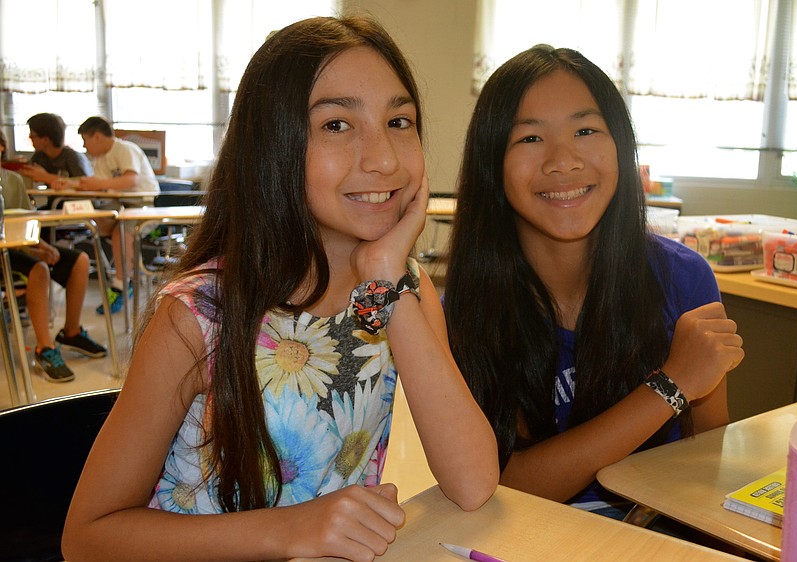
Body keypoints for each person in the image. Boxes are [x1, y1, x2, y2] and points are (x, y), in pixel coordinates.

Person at [62, 16, 499, 562]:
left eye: (400, 120)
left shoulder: (390, 293)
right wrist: (290, 529)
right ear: (272, 145)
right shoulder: (200, 315)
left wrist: (386, 276)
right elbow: (86, 537)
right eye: (337, 125)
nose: (384, 158)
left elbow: (473, 482)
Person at [443, 45, 744, 519]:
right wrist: (672, 384)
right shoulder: (464, 310)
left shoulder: (682, 279)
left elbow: (705, 463)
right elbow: (505, 485)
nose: (564, 161)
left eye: (586, 130)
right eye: (529, 139)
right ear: (491, 163)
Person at [0, 129, 106, 383]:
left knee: (78, 260)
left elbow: (25, 223)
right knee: (39, 269)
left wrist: (40, 246)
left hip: (17, 247)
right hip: (7, 251)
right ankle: (44, 347)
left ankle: (71, 331)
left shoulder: (12, 180)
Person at [57, 116, 159, 315]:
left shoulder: (125, 149)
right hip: (118, 206)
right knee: (92, 225)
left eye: (86, 141)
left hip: (142, 206)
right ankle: (115, 274)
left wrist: (95, 184)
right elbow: (94, 184)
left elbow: (131, 179)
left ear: (96, 136)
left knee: (121, 232)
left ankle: (121, 285)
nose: (85, 147)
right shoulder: (100, 159)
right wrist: (68, 184)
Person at [18, 112, 93, 188]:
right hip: (54, 199)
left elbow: (86, 184)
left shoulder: (73, 158)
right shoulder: (39, 157)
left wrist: (46, 177)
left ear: (45, 140)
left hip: (75, 200)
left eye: (32, 137)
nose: (30, 139)